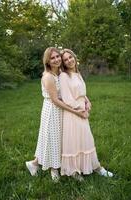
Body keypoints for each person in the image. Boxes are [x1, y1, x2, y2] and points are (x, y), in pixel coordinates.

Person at [25, 47, 86, 182]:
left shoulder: (61, 73)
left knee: (59, 139)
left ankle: (35, 163)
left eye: (58, 56)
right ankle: (54, 168)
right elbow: (55, 100)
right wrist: (75, 111)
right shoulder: (48, 77)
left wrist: (85, 100)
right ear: (47, 61)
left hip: (62, 109)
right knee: (52, 139)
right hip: (52, 110)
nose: (57, 59)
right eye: (52, 58)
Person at [59, 49, 113, 179]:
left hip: (82, 110)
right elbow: (67, 98)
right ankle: (74, 171)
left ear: (74, 57)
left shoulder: (77, 73)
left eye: (70, 57)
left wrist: (87, 102)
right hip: (73, 113)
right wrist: (81, 109)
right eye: (65, 60)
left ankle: (96, 167)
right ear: (63, 63)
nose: (69, 61)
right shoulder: (64, 76)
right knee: (73, 141)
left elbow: (81, 92)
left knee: (86, 139)